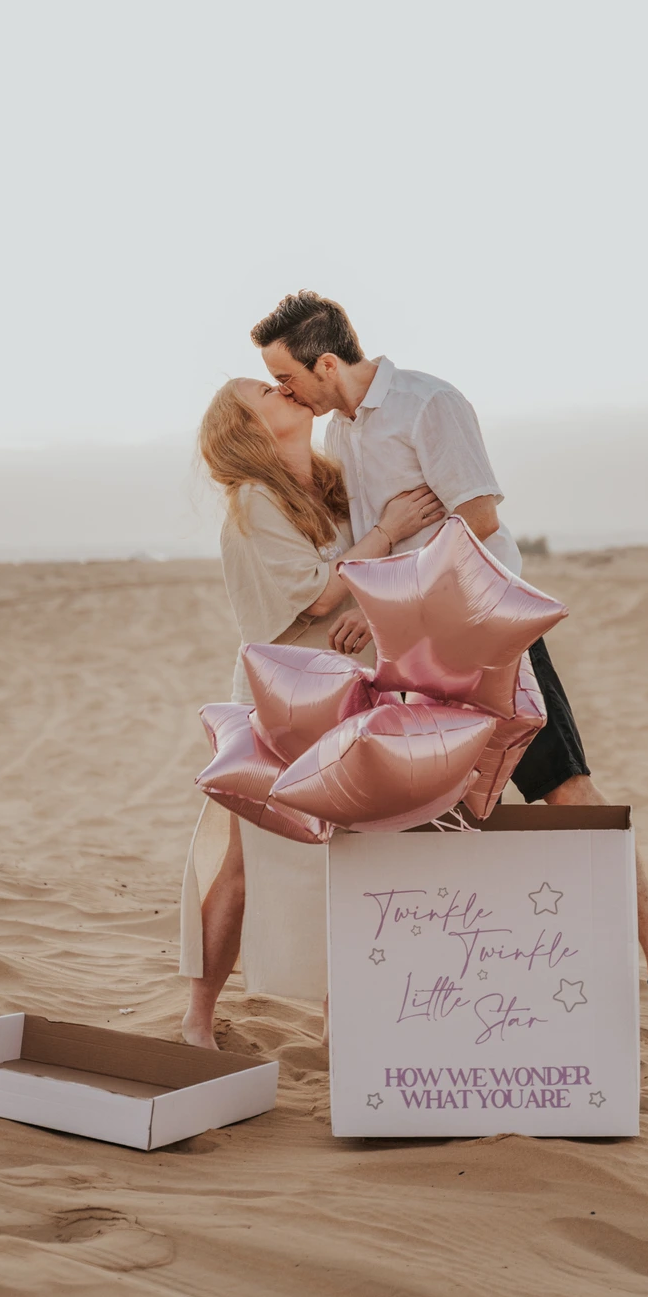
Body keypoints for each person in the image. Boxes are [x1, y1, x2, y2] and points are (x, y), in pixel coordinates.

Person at [251, 289, 648, 1068]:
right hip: (412, 657)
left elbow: (480, 520)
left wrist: (391, 580)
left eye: (288, 376)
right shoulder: (344, 430)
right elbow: (384, 540)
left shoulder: (429, 404)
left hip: (488, 640)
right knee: (437, 822)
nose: (287, 392)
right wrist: (375, 592)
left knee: (569, 798)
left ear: (327, 362)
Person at [179, 376, 444, 1048]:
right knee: (243, 858)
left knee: (353, 853)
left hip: (352, 690)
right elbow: (320, 596)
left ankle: (338, 1024)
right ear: (243, 426)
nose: (281, 388)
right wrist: (385, 532)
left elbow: (374, 586)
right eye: (261, 391)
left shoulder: (334, 489)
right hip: (281, 696)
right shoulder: (254, 500)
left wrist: (382, 615)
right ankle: (197, 1019)